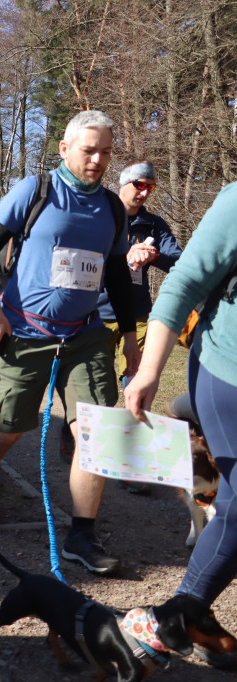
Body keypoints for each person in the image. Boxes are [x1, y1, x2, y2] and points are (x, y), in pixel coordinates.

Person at [0, 110, 137, 576]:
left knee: (93, 433)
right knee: (10, 427)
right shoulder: (35, 190)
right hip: (25, 331)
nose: (98, 160)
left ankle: (81, 535)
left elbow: (117, 276)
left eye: (106, 152)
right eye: (88, 150)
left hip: (85, 336)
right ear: (65, 149)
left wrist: (132, 341)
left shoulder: (113, 208)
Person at [124, 182, 237, 658]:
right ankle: (166, 623)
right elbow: (182, 282)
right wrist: (147, 370)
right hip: (227, 371)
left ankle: (197, 618)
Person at [96, 162, 181, 381]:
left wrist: (153, 256)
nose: (144, 192)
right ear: (123, 183)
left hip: (138, 314)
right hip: (99, 313)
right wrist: (121, 256)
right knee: (97, 381)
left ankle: (134, 415)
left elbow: (179, 262)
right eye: (139, 185)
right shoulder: (100, 216)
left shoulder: (154, 224)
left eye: (150, 188)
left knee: (138, 377)